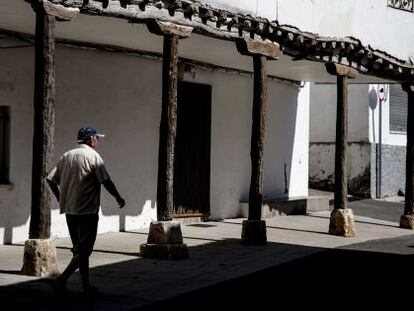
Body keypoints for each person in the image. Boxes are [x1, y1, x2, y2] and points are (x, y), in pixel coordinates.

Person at [47, 126, 125, 294]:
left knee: (79, 250)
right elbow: (106, 181)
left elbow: (51, 179)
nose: (98, 141)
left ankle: (86, 286)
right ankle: (62, 280)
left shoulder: (67, 155)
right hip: (87, 212)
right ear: (91, 140)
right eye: (97, 138)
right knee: (85, 250)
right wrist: (118, 197)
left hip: (70, 211)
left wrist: (61, 197)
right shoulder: (93, 157)